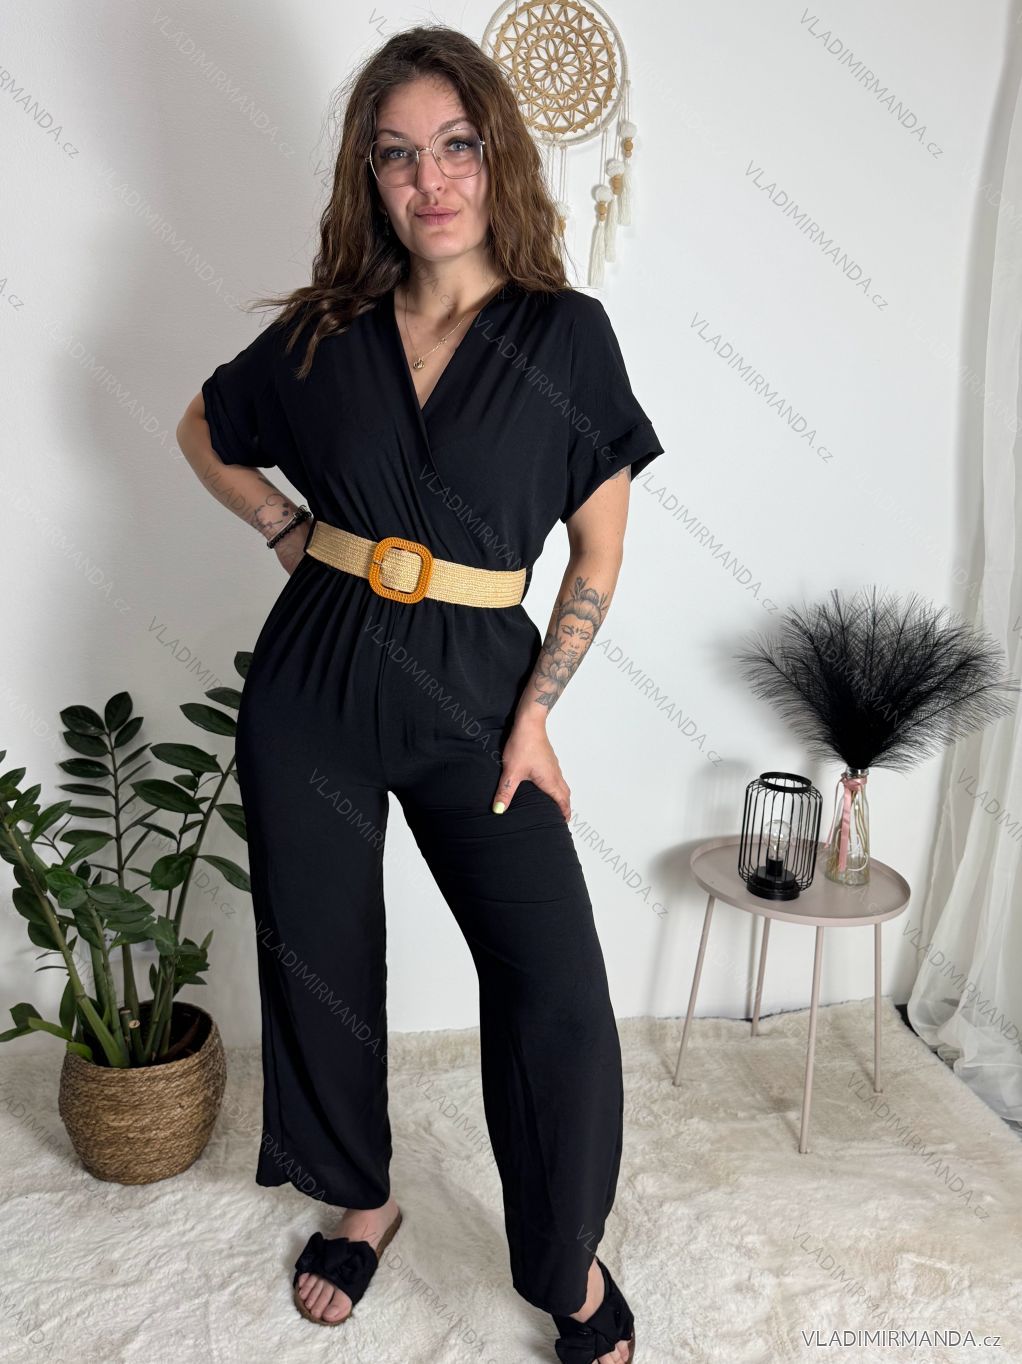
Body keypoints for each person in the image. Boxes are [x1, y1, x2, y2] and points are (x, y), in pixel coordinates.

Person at [177, 23, 662, 1364]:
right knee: (319, 953)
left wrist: (535, 713)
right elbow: (202, 428)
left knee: (554, 989)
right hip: (315, 677)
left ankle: (564, 1264)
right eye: (396, 155)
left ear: (499, 155)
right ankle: (362, 1197)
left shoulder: (566, 336)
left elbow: (598, 550)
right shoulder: (327, 331)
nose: (430, 180)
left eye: (456, 145)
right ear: (368, 178)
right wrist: (288, 530)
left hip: (479, 692)